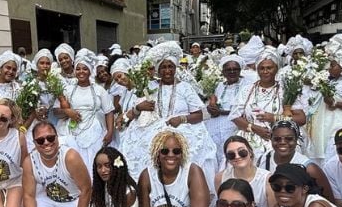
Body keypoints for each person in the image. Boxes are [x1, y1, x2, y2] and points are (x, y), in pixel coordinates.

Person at [121, 42, 218, 188]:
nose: (167, 70)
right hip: (153, 129)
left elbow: (198, 115)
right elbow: (130, 115)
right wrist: (139, 107)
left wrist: (181, 119)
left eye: (170, 66)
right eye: (163, 67)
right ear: (158, 70)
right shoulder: (149, 87)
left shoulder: (185, 88)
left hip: (183, 128)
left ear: (175, 68)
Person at [230, 50, 306, 157]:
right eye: (262, 68)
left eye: (269, 68)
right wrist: (255, 128)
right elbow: (235, 116)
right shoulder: (247, 90)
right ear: (257, 70)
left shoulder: (286, 90)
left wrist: (275, 118)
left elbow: (301, 119)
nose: (265, 71)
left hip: (279, 140)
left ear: (277, 69)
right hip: (251, 139)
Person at [55, 55, 115, 175]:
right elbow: (56, 112)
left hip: (94, 132)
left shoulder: (99, 90)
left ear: (90, 71)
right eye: (78, 69)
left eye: (85, 69)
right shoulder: (67, 89)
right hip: (72, 132)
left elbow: (109, 112)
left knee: (94, 162)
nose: (81, 72)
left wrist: (110, 132)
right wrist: (67, 112)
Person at [257, 120, 335, 202]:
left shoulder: (309, 168)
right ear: (271, 139)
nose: (282, 142)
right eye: (277, 139)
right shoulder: (262, 160)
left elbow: (328, 200)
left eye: (289, 139)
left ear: (296, 139)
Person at [306, 56, 342, 164]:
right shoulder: (335, 81)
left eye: (332, 65)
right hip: (329, 122)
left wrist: (335, 103)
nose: (329, 68)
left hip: (340, 123)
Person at [204, 54, 251, 166]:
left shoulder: (247, 85)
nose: (232, 72)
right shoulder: (220, 85)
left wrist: (221, 112)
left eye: (235, 69)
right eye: (228, 70)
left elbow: (246, 109)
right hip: (216, 124)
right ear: (223, 72)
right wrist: (211, 108)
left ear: (240, 70)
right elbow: (214, 103)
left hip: (236, 125)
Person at [216, 136, 276, 207]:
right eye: (231, 154)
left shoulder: (267, 179)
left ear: (250, 152)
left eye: (242, 152)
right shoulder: (220, 178)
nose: (237, 156)